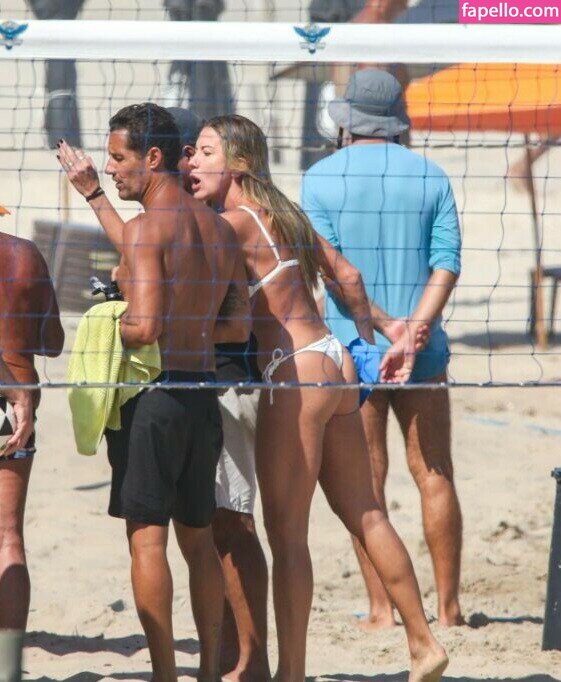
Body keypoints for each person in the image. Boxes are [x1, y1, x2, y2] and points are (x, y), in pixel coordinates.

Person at [189, 113, 448, 682]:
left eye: (205, 152)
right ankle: (424, 643)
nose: (193, 162)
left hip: (293, 370)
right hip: (333, 356)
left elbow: (227, 316)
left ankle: (292, 673)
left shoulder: (231, 224)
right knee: (366, 513)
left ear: (238, 164)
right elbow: (349, 278)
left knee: (287, 538)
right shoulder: (285, 214)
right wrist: (369, 344)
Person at [57, 106, 270, 682]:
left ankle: (164, 676)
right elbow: (236, 327)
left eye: (119, 158)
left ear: (153, 158)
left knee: (147, 543)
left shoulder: (149, 229)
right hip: (202, 395)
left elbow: (145, 326)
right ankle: (207, 673)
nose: (111, 168)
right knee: (198, 542)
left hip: (154, 399)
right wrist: (184, 323)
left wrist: (111, 319)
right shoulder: (219, 230)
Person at [301, 69, 463, 630]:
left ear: (346, 120)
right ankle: (449, 610)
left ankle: (380, 610)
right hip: (424, 349)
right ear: (397, 121)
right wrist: (415, 330)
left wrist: (388, 328)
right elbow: (447, 265)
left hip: (355, 347)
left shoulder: (319, 179)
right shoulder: (431, 175)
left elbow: (333, 274)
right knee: (434, 472)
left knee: (365, 483)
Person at [0, 206, 63, 681]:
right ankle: (9, 669)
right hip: (16, 400)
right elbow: (53, 342)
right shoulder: (25, 254)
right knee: (8, 536)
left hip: (12, 393)